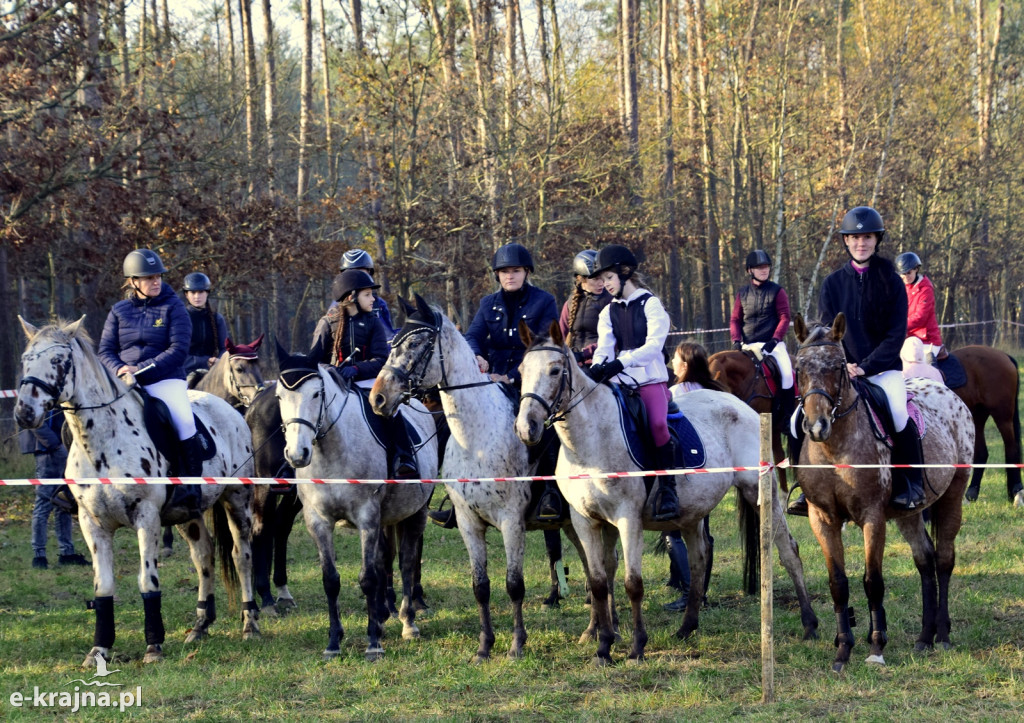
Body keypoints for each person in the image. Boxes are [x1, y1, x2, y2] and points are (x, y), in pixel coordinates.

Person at [429, 242, 561, 526]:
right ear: (497, 275)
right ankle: (454, 497)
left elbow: (542, 347)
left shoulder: (544, 301)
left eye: (515, 271)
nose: (509, 276)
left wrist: (512, 375)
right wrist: (477, 355)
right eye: (504, 272)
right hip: (489, 382)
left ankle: (551, 491)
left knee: (548, 427)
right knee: (448, 424)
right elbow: (474, 334)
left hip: (529, 382)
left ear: (526, 272)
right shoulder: (487, 303)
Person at [815, 206, 924, 509]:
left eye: (867, 237)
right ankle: (806, 484)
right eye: (855, 237)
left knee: (899, 415)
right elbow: (827, 332)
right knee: (803, 414)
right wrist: (844, 364)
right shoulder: (832, 283)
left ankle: (911, 484)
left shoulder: (891, 279)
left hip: (883, 370)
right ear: (846, 241)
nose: (861, 243)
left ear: (877, 240)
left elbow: (895, 334)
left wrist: (864, 367)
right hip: (842, 370)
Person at [98, 249, 203, 520]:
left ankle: (190, 489)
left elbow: (179, 349)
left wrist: (141, 370)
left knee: (183, 421)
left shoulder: (174, 306)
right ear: (133, 281)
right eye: (149, 277)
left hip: (164, 379)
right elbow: (105, 350)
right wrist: (121, 368)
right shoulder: (119, 310)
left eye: (158, 276)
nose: (156, 281)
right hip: (124, 381)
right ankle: (78, 485)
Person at [589, 243, 679, 521]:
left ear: (624, 273)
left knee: (657, 424)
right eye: (602, 280)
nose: (605, 284)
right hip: (621, 381)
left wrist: (621, 362)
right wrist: (596, 366)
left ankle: (668, 488)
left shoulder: (651, 304)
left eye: (608, 278)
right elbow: (604, 347)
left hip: (650, 379)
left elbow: (654, 346)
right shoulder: (607, 312)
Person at [311, 268, 417, 479]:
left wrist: (356, 369)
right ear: (351, 297)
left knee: (389, 407)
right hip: (334, 382)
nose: (373, 299)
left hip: (366, 380)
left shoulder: (373, 321)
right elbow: (314, 361)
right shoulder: (326, 323)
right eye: (367, 294)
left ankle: (405, 457)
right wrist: (331, 370)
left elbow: (380, 359)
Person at [661, 342, 724, 610]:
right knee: (703, 534)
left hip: (682, 474)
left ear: (684, 366)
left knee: (673, 534)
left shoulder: (673, 394)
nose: (672, 363)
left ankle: (691, 593)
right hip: (709, 470)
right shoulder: (713, 393)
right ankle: (698, 589)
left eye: (675, 359)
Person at [729, 249, 796, 418]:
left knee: (787, 374)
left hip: (772, 345)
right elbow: (735, 319)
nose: (764, 270)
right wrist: (736, 340)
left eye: (766, 266)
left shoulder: (777, 291)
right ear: (749, 270)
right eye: (759, 267)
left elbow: (785, 317)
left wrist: (774, 340)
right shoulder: (742, 293)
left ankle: (788, 416)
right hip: (749, 345)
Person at [19, 409, 89, 569]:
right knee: (43, 505)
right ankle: (39, 556)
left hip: (64, 450)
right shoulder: (35, 388)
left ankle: (67, 553)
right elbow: (33, 420)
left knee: (63, 502)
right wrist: (55, 445)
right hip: (48, 452)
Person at [558, 250, 612, 365]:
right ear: (581, 278)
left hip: (600, 364)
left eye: (602, 277)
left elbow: (614, 339)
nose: (601, 283)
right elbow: (559, 338)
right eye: (596, 279)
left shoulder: (610, 301)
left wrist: (585, 354)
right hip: (574, 365)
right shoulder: (570, 303)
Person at [896, 251, 943, 363]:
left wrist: (899, 326)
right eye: (903, 274)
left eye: (909, 273)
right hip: (908, 339)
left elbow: (920, 317)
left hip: (926, 341)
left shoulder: (926, 289)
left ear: (916, 269)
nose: (906, 277)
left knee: (920, 370)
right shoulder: (902, 288)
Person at [181, 272, 229, 383]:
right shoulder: (179, 318)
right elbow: (176, 352)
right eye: (193, 292)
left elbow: (225, 348)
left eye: (201, 292)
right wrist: (204, 361)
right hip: (184, 373)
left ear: (207, 293)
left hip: (213, 372)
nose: (197, 296)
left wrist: (219, 361)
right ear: (186, 294)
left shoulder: (217, 319)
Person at [339, 248, 396, 339]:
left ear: (369, 274)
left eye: (362, 273)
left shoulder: (378, 304)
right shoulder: (336, 307)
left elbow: (388, 337)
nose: (358, 278)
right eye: (353, 274)